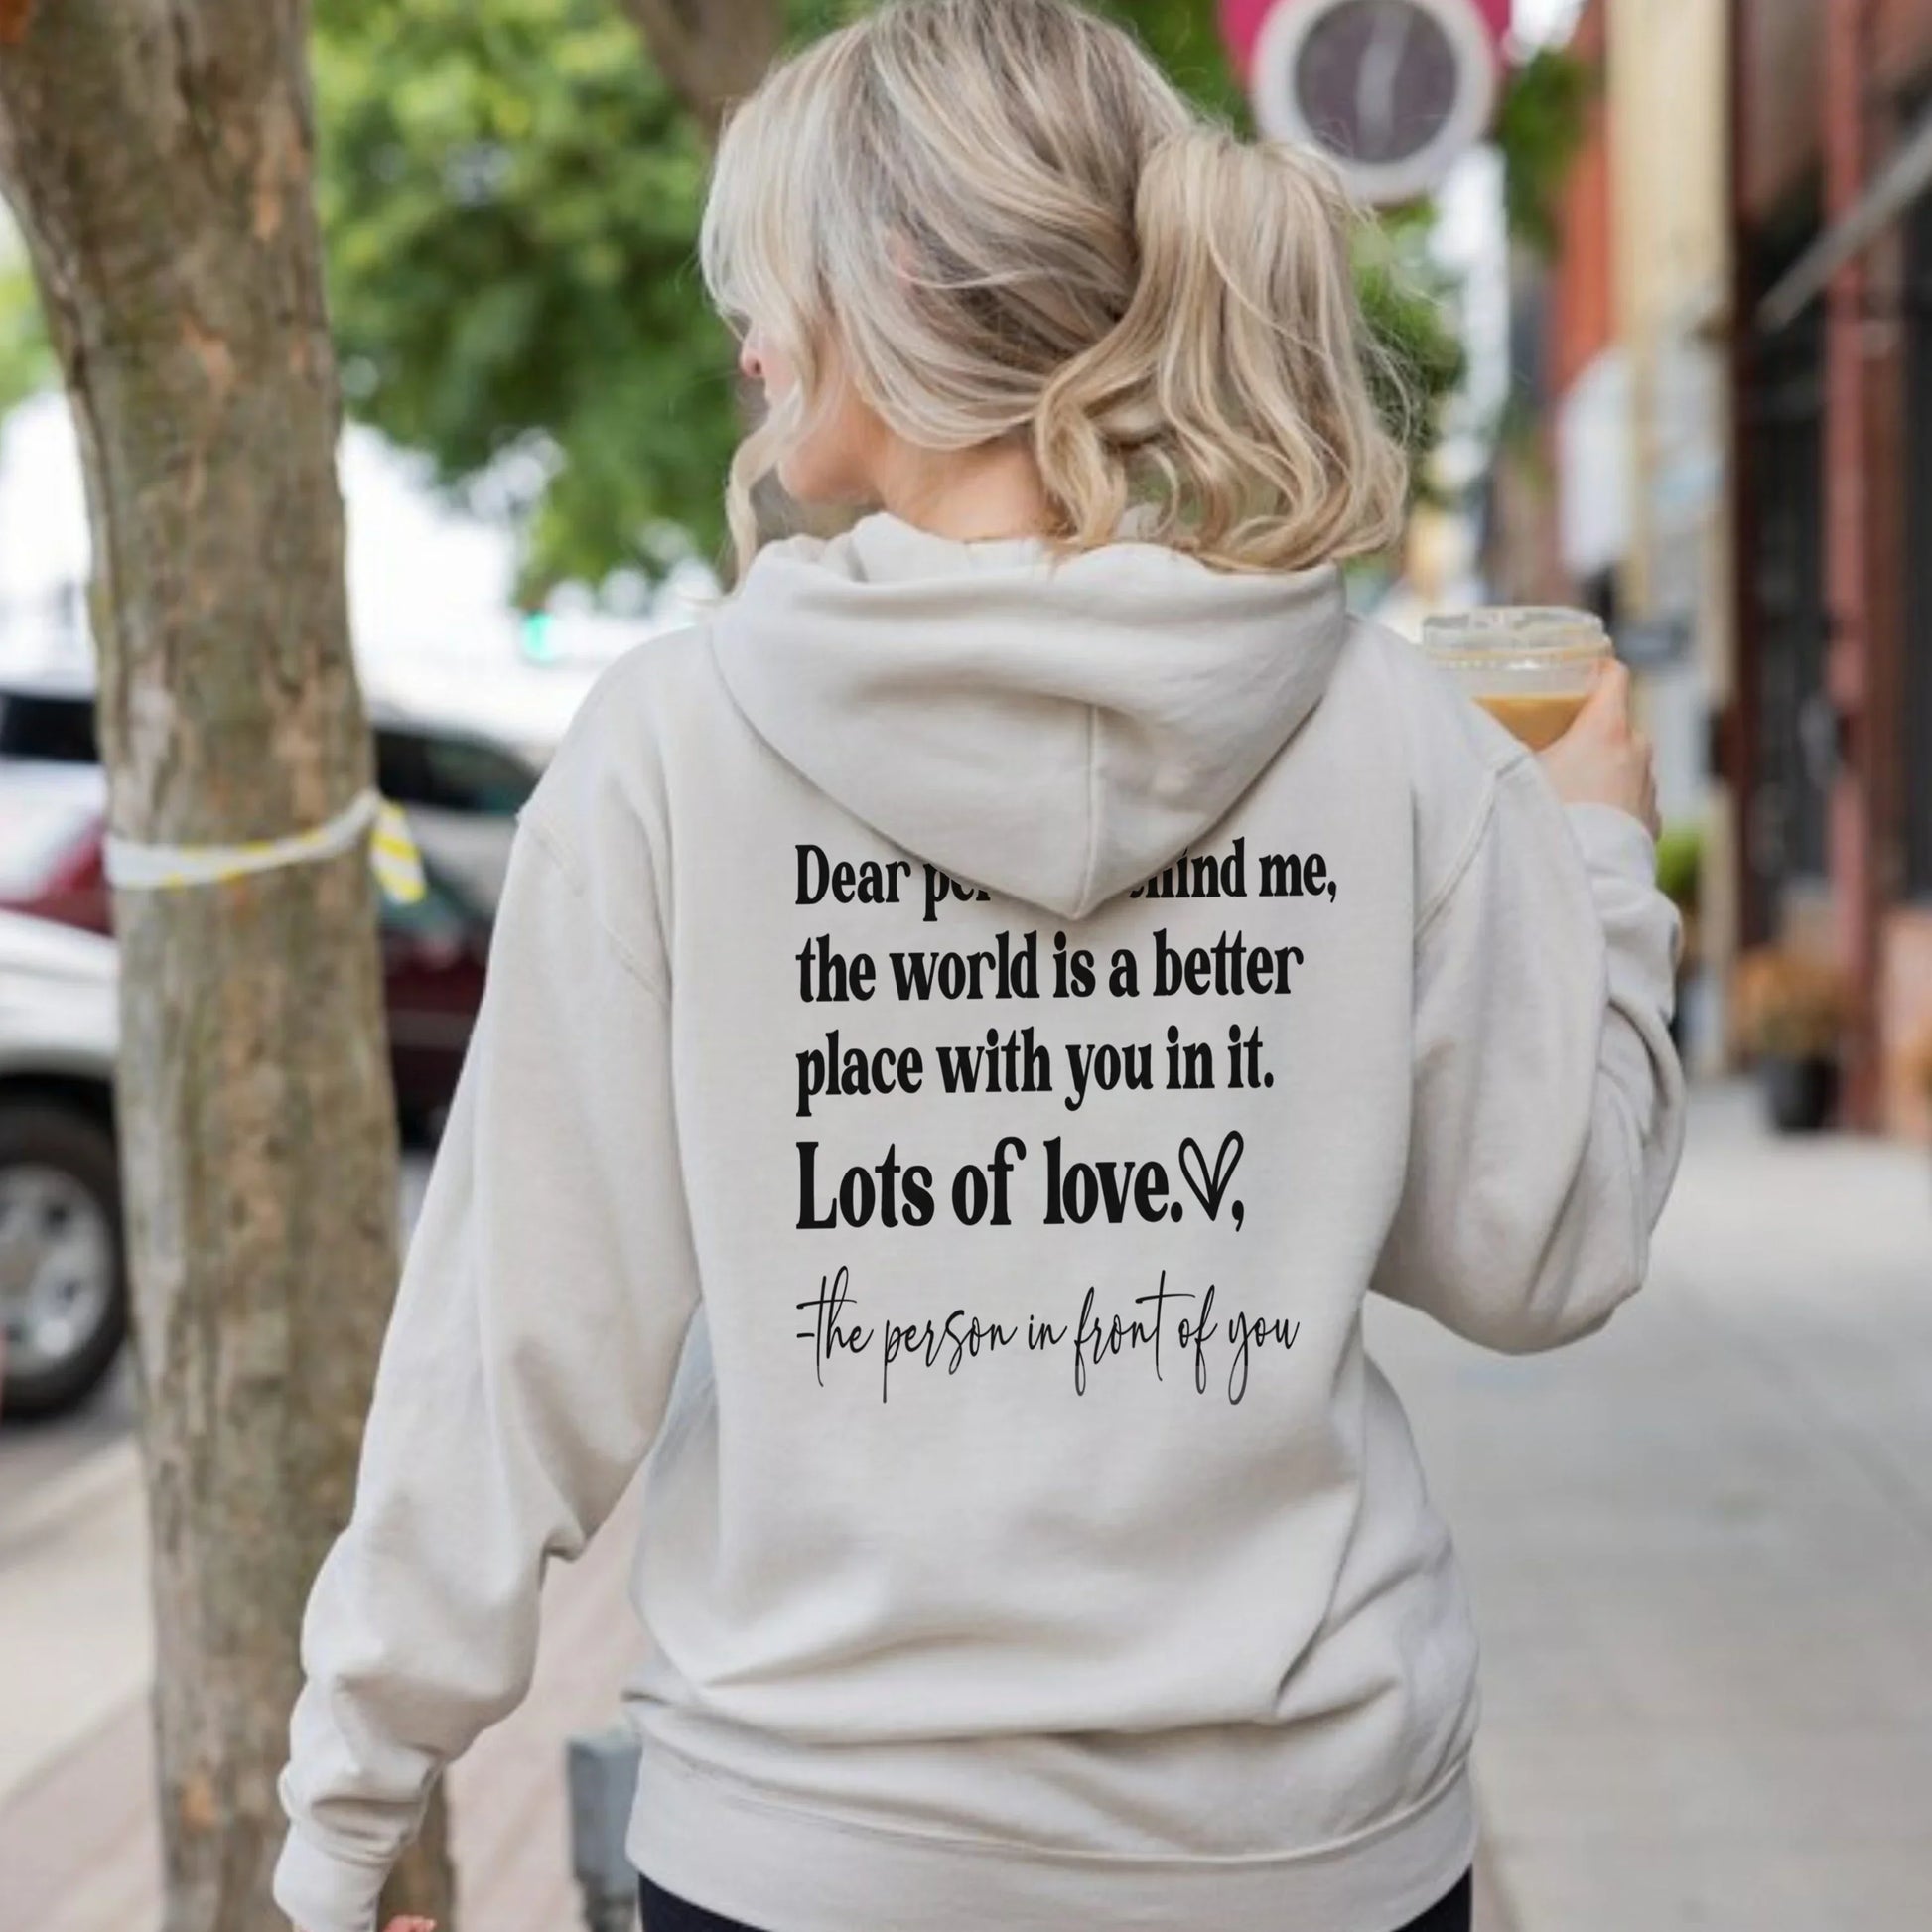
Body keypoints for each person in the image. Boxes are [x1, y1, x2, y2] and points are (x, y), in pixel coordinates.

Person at [273, 3, 1686, 1930]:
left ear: (903, 277)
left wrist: (346, 1812)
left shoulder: (676, 747)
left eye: (767, 261)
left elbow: (518, 1342)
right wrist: (1595, 855)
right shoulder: (1388, 733)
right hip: (1309, 1845)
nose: (741, 321)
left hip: (812, 1842)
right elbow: (1538, 1251)